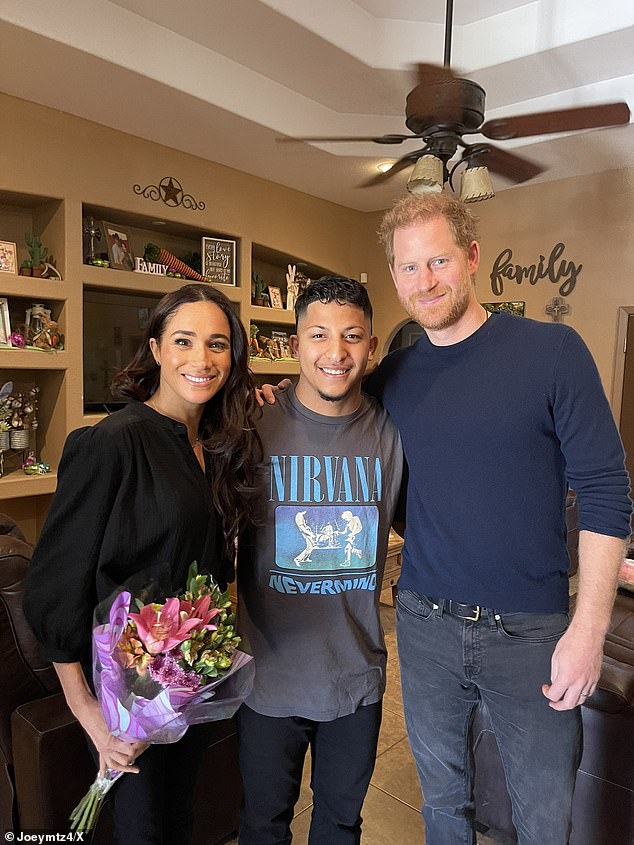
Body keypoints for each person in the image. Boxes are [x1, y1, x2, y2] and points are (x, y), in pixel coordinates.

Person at [366, 193, 632, 845]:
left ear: (472, 257)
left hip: (533, 633)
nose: (424, 280)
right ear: (394, 275)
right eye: (407, 267)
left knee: (542, 815)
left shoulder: (553, 352)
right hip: (425, 628)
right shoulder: (393, 377)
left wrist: (589, 630)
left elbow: (605, 490)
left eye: (438, 260)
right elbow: (341, 442)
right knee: (443, 807)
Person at [24, 283, 261, 845]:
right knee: (142, 831)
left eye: (217, 344)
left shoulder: (218, 444)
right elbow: (54, 588)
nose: (201, 360)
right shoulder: (111, 443)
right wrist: (90, 716)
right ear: (155, 349)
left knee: (182, 820)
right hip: (121, 698)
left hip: (187, 683)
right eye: (183, 341)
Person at [236, 276, 403, 845]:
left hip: (354, 679)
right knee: (263, 826)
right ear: (294, 343)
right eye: (319, 335)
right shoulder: (251, 426)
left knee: (340, 826)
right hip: (266, 678)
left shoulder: (393, 432)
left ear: (372, 346)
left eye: (352, 336)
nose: (336, 353)